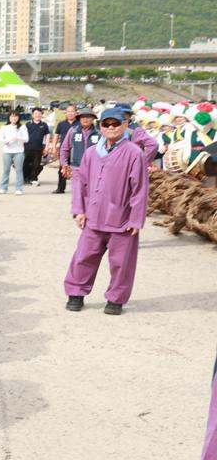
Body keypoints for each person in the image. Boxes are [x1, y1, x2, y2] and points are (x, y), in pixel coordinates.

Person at [63, 107, 148, 315]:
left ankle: (115, 299)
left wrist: (136, 220)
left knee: (121, 263)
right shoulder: (92, 153)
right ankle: (76, 293)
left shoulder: (134, 153)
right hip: (93, 217)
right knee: (83, 257)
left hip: (122, 219)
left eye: (115, 123)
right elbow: (80, 183)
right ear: (100, 126)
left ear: (125, 125)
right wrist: (79, 210)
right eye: (106, 124)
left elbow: (140, 188)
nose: (111, 127)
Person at [59, 108, 101, 193]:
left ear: (93, 118)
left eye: (88, 117)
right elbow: (64, 148)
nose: (85, 119)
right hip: (77, 168)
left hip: (94, 169)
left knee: (93, 194)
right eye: (82, 117)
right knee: (78, 194)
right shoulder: (73, 131)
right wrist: (64, 163)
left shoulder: (99, 132)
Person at [0, 110, 29, 195]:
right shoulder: (4, 127)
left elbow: (26, 139)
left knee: (19, 170)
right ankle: (3, 188)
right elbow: (0, 138)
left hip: (19, 152)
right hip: (7, 152)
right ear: (9, 117)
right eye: (12, 116)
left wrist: (18, 138)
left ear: (18, 117)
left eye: (16, 116)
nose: (14, 118)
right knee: (6, 170)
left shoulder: (22, 127)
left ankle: (19, 188)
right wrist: (5, 141)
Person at [52, 105, 79, 193]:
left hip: (77, 149)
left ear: (76, 113)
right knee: (62, 168)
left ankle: (79, 188)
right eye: (68, 111)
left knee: (77, 169)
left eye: (72, 111)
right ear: (66, 113)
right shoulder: (61, 124)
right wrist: (54, 147)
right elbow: (56, 135)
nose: (70, 113)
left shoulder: (80, 124)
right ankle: (61, 188)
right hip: (64, 150)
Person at [23, 107, 51, 187]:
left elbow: (47, 136)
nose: (37, 115)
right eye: (35, 114)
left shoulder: (44, 125)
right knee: (25, 164)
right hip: (27, 148)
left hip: (38, 148)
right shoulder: (28, 124)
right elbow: (23, 136)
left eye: (39, 114)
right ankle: (25, 178)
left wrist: (47, 147)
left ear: (42, 115)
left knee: (36, 164)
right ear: (32, 115)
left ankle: (34, 179)